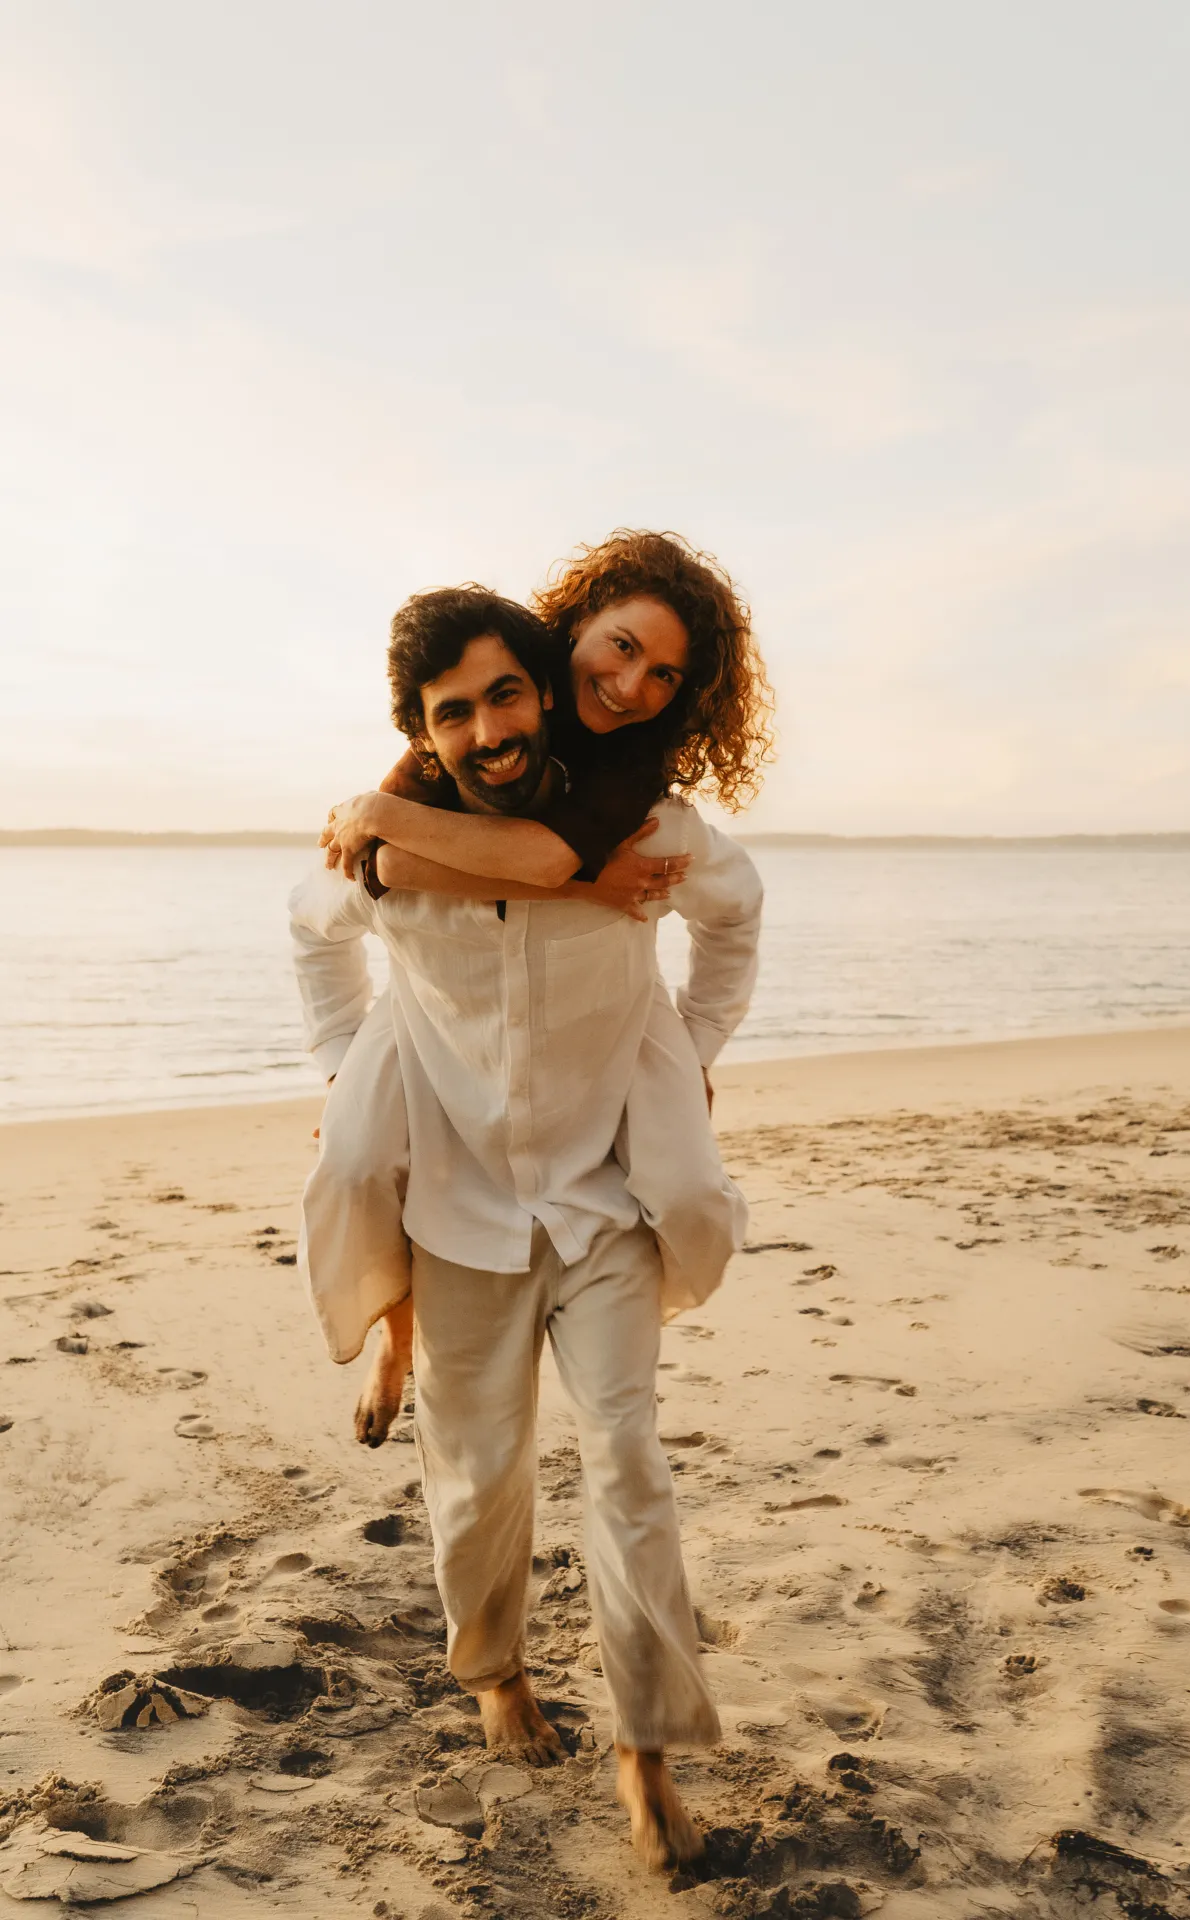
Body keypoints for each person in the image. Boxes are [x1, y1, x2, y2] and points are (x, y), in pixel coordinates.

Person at [289, 592, 763, 1868]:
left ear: (543, 694)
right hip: (456, 1210)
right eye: (454, 713)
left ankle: (647, 1751)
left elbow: (736, 913)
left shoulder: (643, 831)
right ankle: (494, 1671)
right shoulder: (386, 855)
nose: (488, 729)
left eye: (506, 696)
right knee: (477, 1473)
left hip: (602, 1196)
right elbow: (310, 932)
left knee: (625, 1457)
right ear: (421, 733)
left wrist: (699, 1050)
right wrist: (346, 1066)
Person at [308, 531, 772, 1446]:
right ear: (573, 630)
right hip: (430, 1014)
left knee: (688, 1192)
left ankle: (620, 1291)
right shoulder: (486, 699)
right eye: (624, 645)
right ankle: (393, 1339)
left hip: (587, 1032)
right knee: (358, 1164)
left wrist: (697, 1037)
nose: (633, 686)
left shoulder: (636, 768)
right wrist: (336, 1058)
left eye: (666, 676)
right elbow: (380, 870)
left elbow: (544, 852)